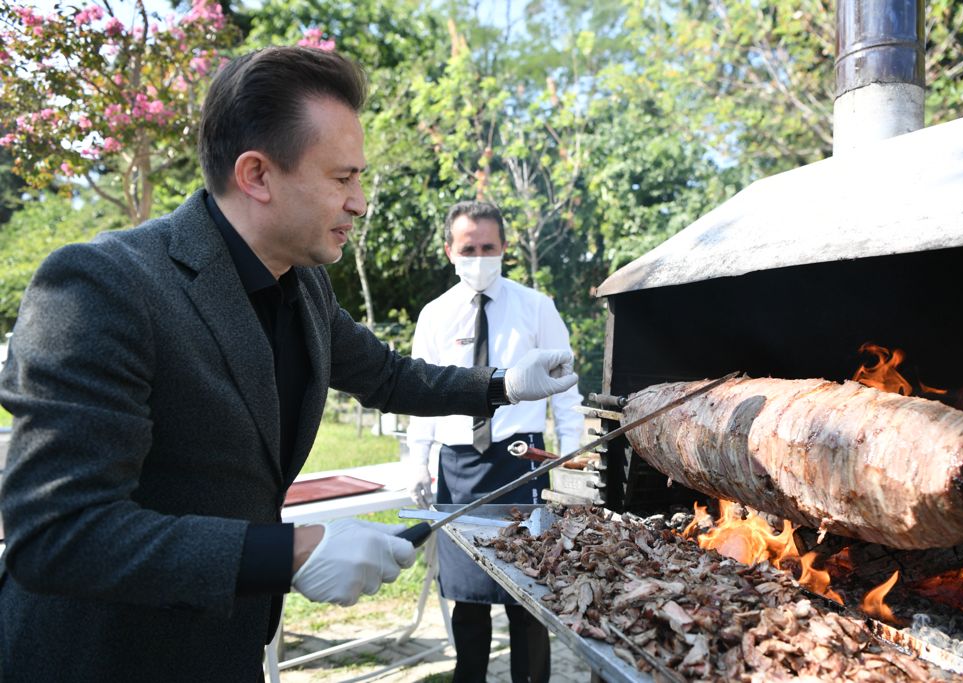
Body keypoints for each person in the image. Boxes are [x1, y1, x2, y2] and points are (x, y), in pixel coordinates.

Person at [0, 47, 578, 683]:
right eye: (342, 178)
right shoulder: (100, 286)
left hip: (227, 646)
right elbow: (60, 533)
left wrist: (501, 384)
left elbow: (386, 375)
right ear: (257, 175)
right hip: (100, 657)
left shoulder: (303, 287)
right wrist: (292, 551)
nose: (360, 202)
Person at [405, 201, 584, 683]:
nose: (479, 256)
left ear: (504, 248)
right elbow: (420, 393)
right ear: (450, 251)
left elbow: (566, 387)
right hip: (458, 466)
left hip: (520, 463)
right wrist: (417, 461)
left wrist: (574, 458)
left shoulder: (536, 307)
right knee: (468, 601)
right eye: (469, 248)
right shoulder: (434, 315)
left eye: (488, 247)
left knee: (529, 596)